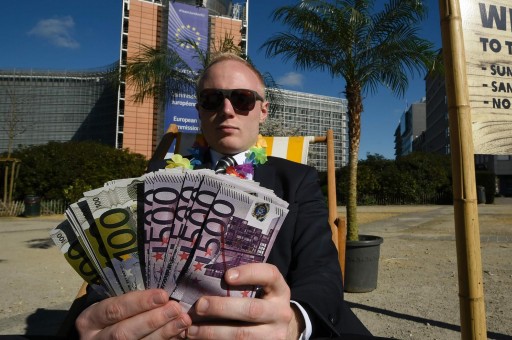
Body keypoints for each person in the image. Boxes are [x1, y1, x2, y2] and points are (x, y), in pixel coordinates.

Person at [74, 53, 371, 339]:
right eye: (213, 99)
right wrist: (100, 319)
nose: (227, 109)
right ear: (200, 110)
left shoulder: (296, 179)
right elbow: (115, 268)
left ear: (262, 111)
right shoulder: (160, 176)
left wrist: (293, 322)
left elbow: (321, 269)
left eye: (242, 99)